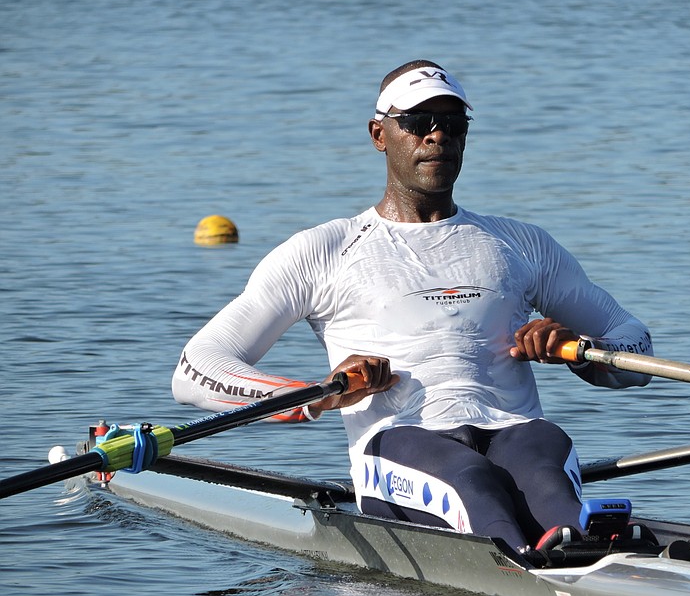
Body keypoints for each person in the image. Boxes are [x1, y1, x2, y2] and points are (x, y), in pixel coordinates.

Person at [172, 59, 653, 556]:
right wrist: (318, 397)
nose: (438, 136)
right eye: (420, 123)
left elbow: (635, 343)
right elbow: (196, 369)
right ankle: (535, 569)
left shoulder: (521, 244)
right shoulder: (323, 251)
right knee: (472, 482)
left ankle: (599, 561)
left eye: (453, 124)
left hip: (518, 432)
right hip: (400, 439)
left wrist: (580, 351)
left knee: (546, 476)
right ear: (379, 134)